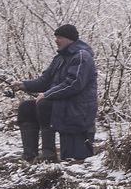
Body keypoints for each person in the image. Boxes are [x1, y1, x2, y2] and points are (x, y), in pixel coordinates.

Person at [12, 24, 98, 163]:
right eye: (56, 37)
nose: (56, 41)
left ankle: (48, 154)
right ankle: (29, 156)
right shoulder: (59, 59)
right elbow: (44, 81)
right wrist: (23, 85)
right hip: (63, 104)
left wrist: (47, 94)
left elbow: (73, 83)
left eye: (59, 37)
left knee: (44, 105)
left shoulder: (82, 56)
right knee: (26, 108)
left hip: (78, 107)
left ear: (70, 39)